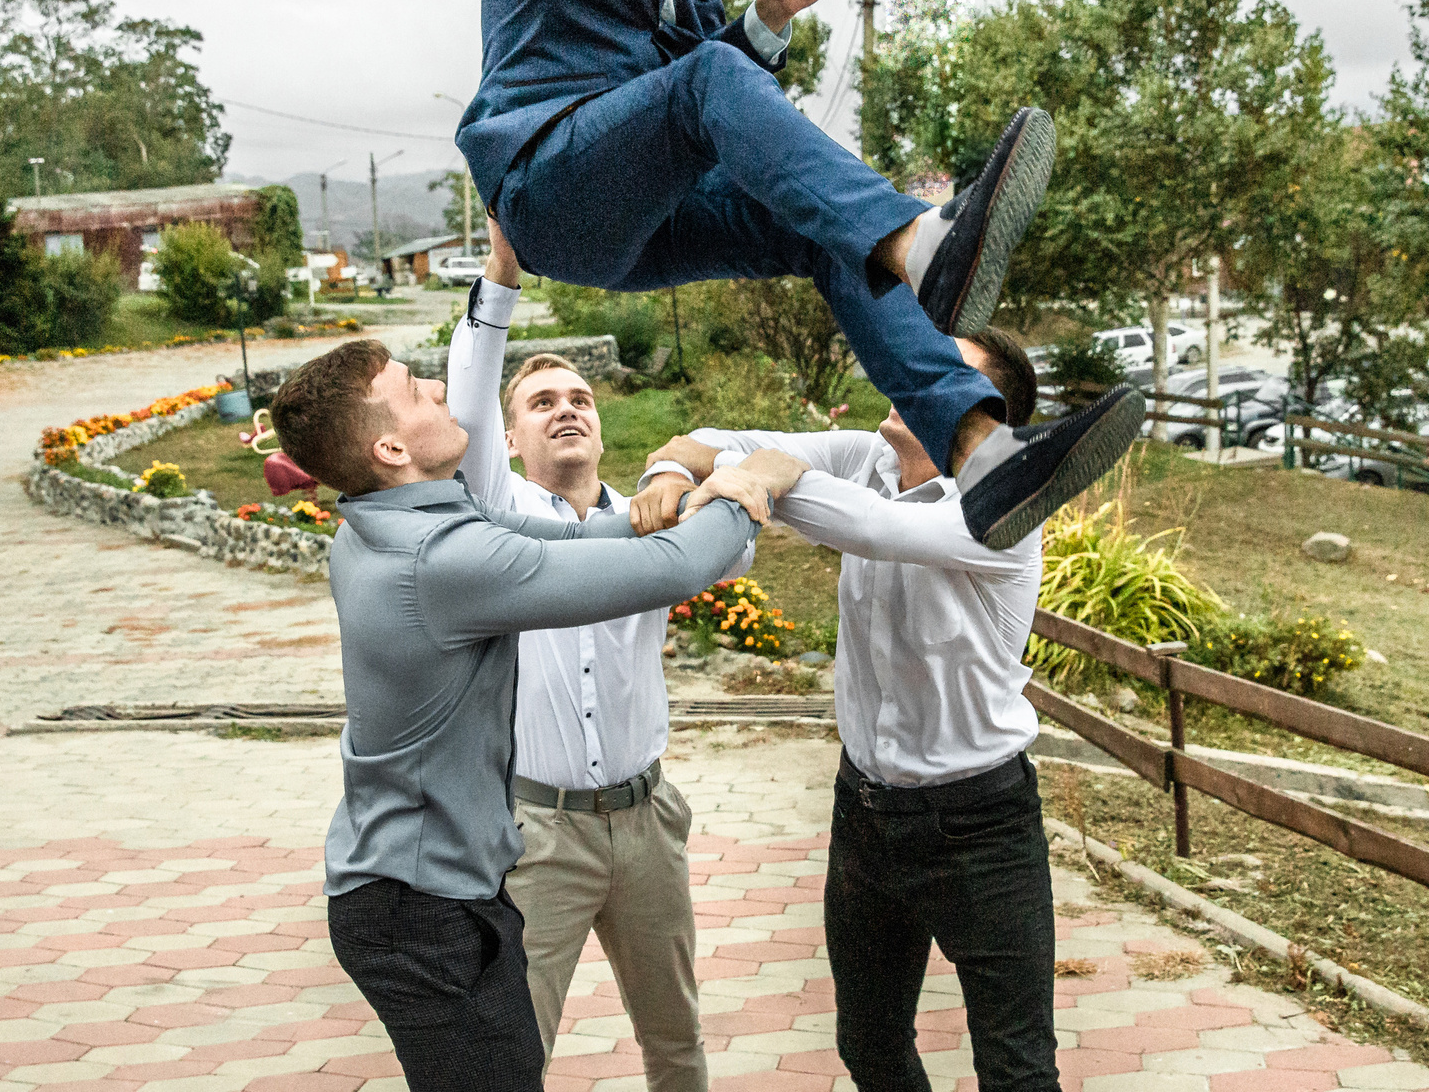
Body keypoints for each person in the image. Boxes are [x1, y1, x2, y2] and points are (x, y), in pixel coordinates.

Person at [457, 0, 1143, 549]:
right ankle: (919, 243)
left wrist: (771, 14)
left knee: (825, 229)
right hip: (546, 184)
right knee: (738, 110)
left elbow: (701, 77)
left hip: (641, 213)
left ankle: (979, 453)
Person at [268, 336, 807, 1092]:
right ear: (390, 448)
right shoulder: (443, 560)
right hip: (418, 906)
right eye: (415, 389)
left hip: (428, 888)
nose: (438, 388)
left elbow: (583, 535)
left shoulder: (377, 522)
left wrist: (679, 498)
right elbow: (675, 567)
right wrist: (755, 482)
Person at [630, 331, 1061, 1092]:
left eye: (941, 370)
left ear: (984, 420)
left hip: (980, 822)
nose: (909, 370)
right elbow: (705, 441)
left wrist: (766, 474)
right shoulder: (865, 456)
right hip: (864, 810)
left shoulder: (1005, 506)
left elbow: (876, 528)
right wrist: (674, 468)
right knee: (868, 1044)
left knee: (1017, 1069)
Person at [446, 231, 722, 1090]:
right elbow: (467, 403)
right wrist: (502, 273)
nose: (566, 409)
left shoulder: (653, 524)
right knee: (513, 1053)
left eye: (580, 398)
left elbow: (738, 506)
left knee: (677, 1042)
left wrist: (682, 471)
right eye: (541, 402)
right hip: (540, 832)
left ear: (600, 427)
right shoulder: (493, 517)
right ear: (511, 436)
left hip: (647, 823)